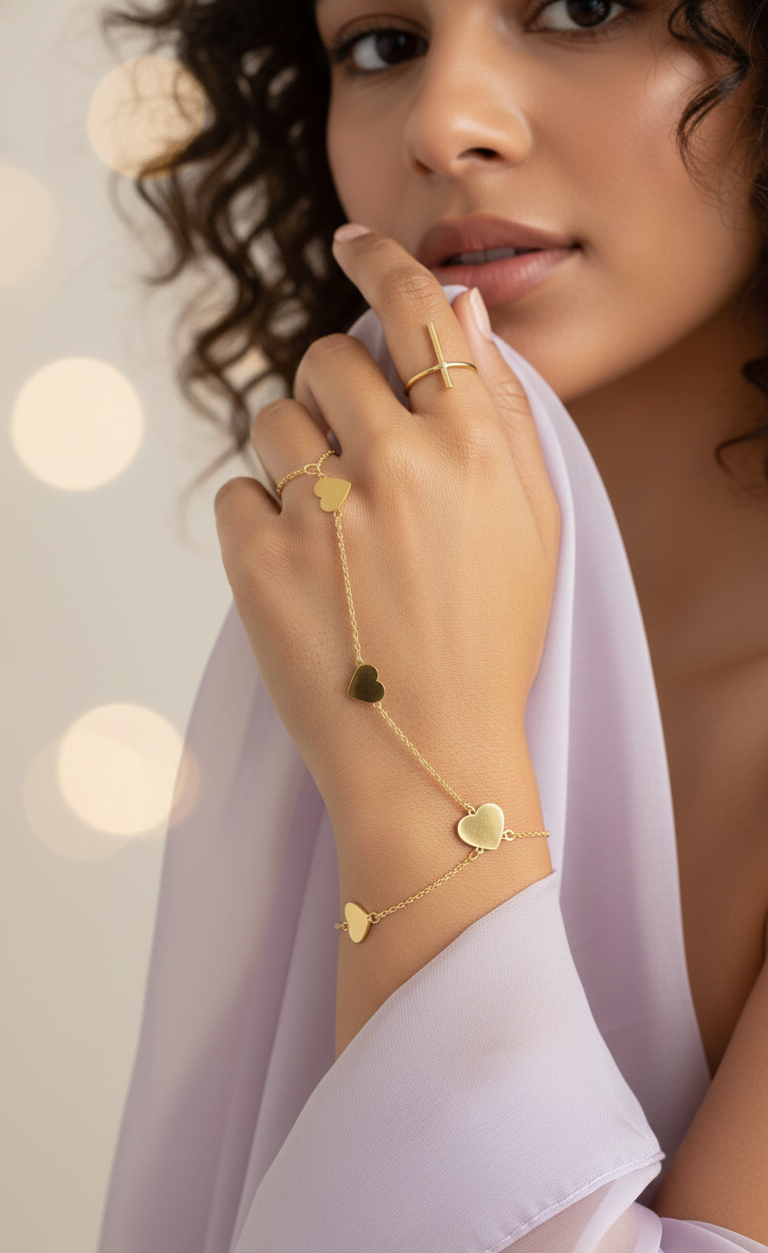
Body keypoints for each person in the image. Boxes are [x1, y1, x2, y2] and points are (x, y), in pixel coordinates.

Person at [98, 1, 768, 1251]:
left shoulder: (362, 663)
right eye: (382, 45)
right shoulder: (332, 615)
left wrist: (423, 786)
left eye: (582, 5)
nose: (442, 124)